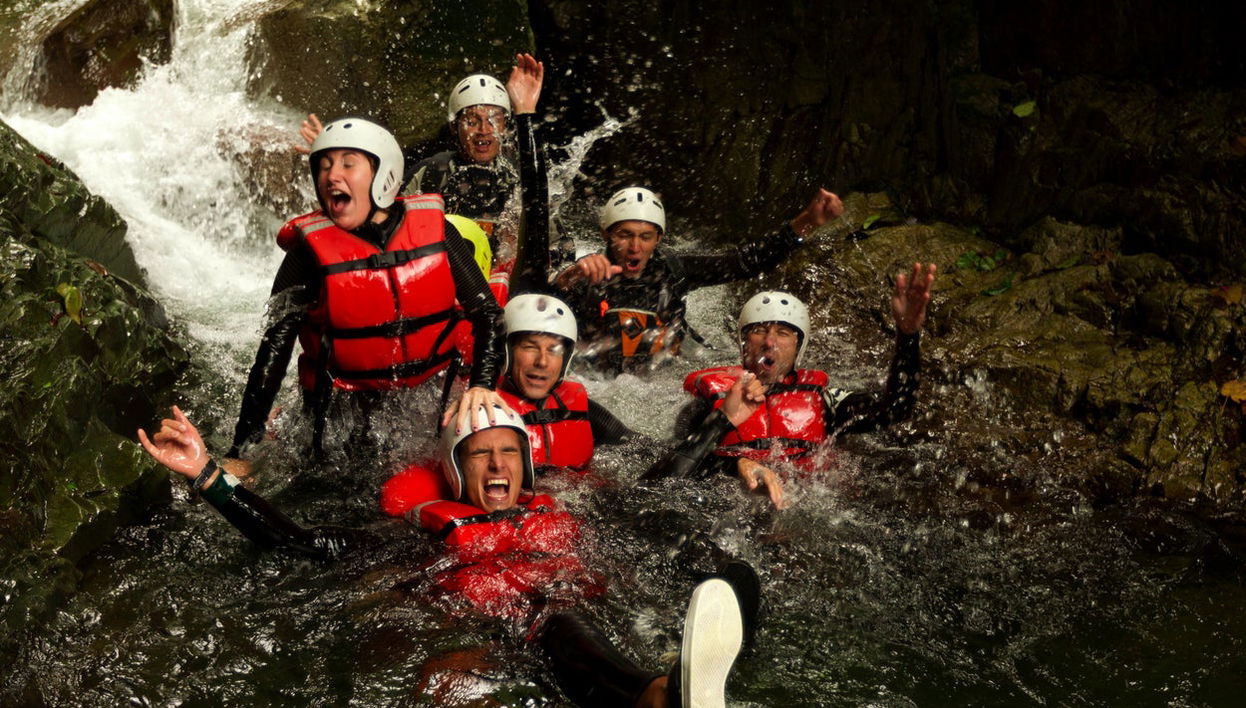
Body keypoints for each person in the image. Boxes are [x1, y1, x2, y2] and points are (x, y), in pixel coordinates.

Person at [139, 405, 757, 707]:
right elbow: (300, 542)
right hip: (494, 638)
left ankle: (690, 676)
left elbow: (655, 496)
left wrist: (719, 438)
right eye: (480, 455)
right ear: (456, 471)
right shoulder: (425, 536)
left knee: (735, 577)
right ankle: (654, 696)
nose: (496, 465)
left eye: (509, 453)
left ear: (528, 465)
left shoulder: (567, 516)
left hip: (594, 629)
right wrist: (209, 475)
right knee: (536, 618)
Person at [226, 117, 509, 464]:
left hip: (425, 403)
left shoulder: (438, 232)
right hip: (337, 418)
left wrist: (482, 385)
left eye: (348, 163)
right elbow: (273, 353)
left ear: (383, 174)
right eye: (325, 166)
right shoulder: (307, 255)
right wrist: (242, 451)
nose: (332, 175)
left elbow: (488, 314)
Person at [644, 264, 937, 508]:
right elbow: (669, 476)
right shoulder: (709, 404)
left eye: (783, 333)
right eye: (759, 331)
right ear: (743, 343)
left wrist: (907, 337)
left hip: (808, 512)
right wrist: (737, 465)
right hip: (726, 509)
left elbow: (896, 409)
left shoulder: (825, 402)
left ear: (799, 346)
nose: (769, 341)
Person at [297, 54, 549, 302]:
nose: (484, 130)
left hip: (504, 286)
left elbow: (546, 239)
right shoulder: (430, 172)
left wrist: (525, 110)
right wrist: (337, 155)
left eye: (494, 121)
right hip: (439, 280)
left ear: (506, 126)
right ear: (454, 127)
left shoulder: (520, 177)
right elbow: (376, 212)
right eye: (472, 121)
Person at [552, 186, 845, 374]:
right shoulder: (584, 276)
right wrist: (564, 283)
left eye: (645, 237)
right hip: (600, 379)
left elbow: (744, 263)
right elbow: (536, 314)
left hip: (664, 378)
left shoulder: (674, 272)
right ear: (606, 235)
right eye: (624, 235)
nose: (635, 247)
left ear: (659, 238)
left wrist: (807, 222)